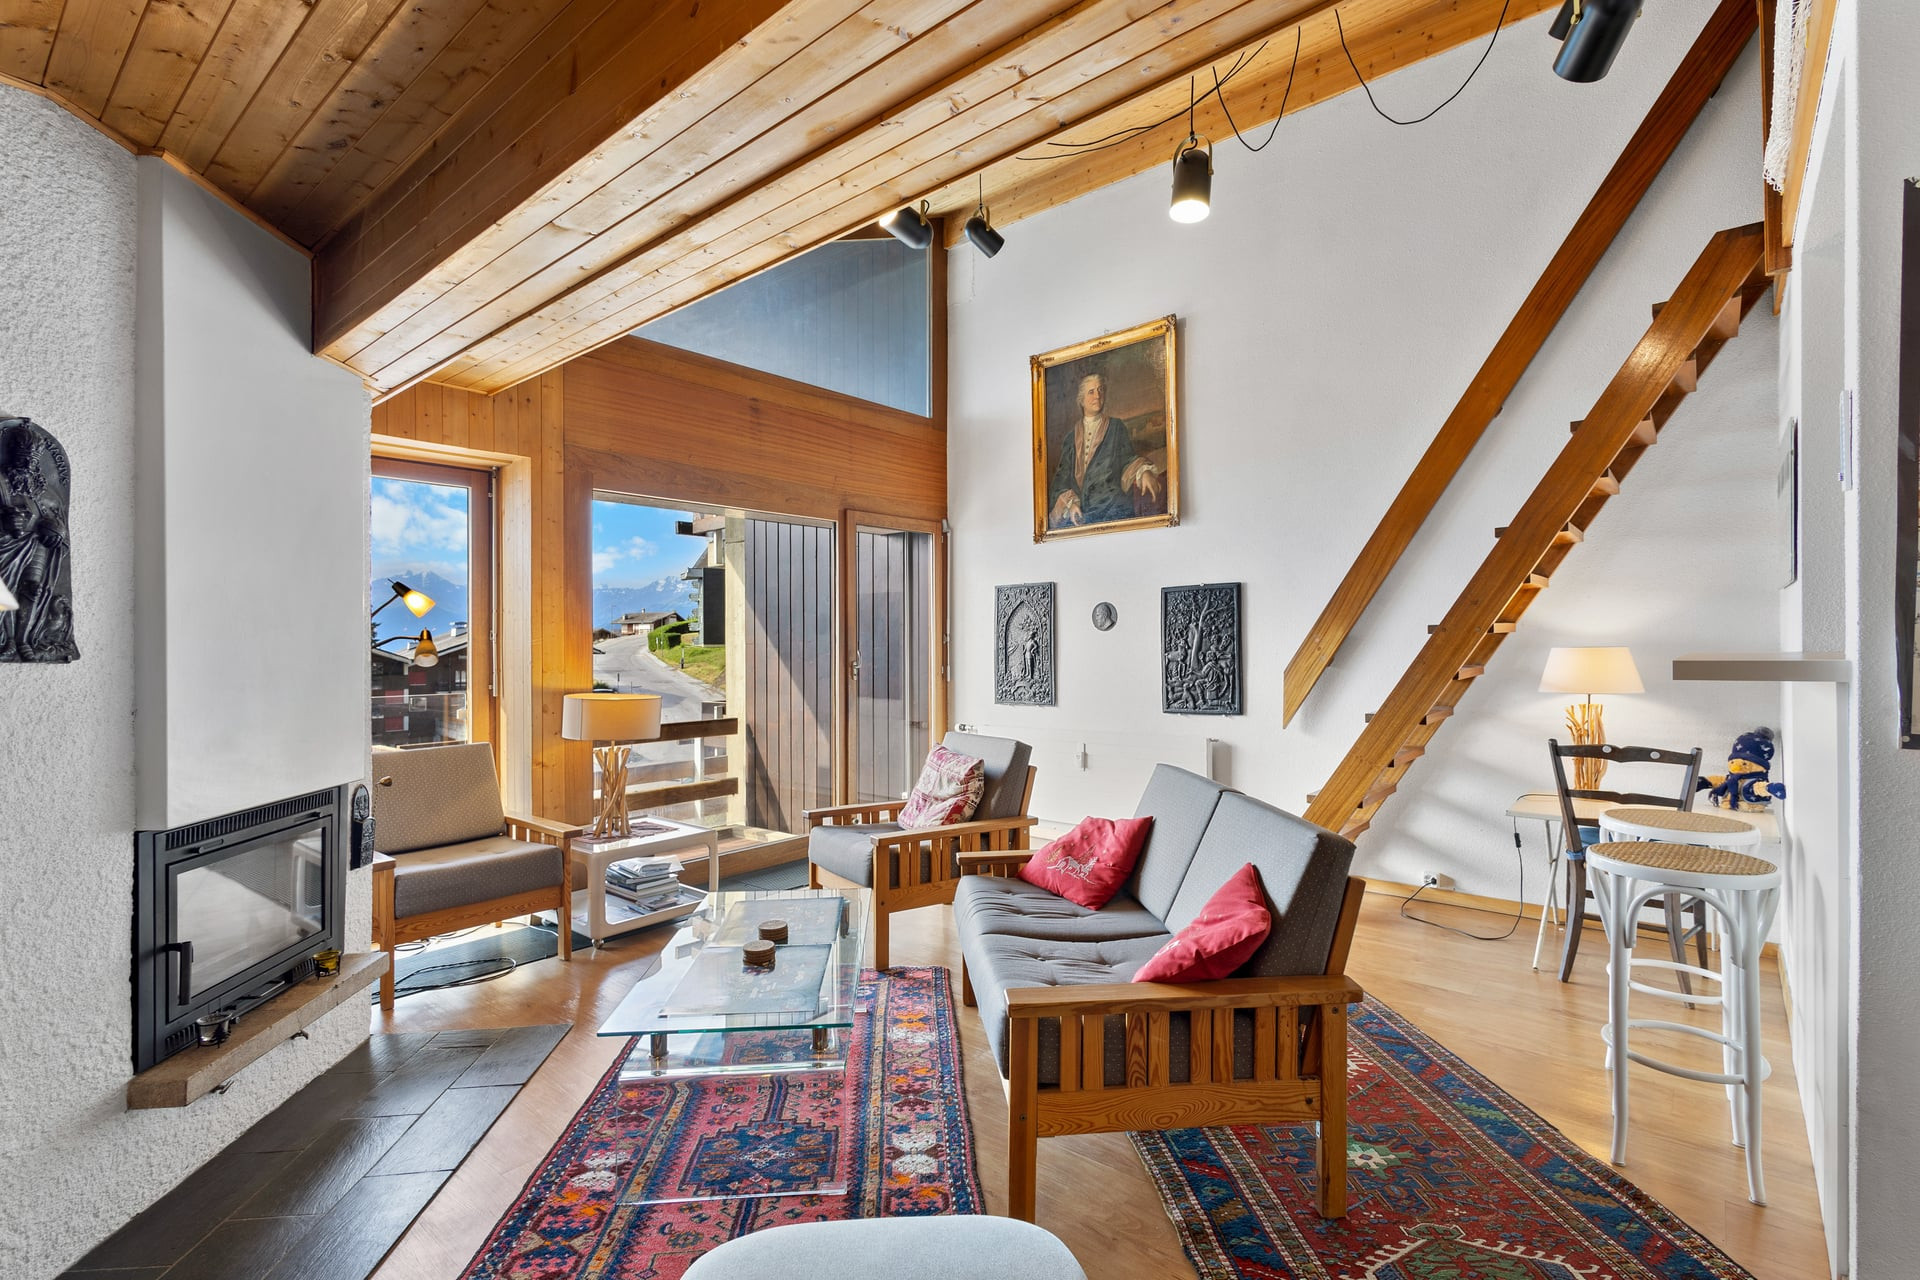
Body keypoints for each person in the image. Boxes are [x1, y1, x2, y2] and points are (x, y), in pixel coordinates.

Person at [1047, 372, 1162, 529]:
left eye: (1100, 390)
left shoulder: (1116, 427)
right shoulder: (1070, 438)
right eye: (1091, 392)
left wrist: (1144, 472)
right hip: (1081, 512)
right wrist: (1071, 504)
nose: (1097, 396)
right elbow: (1061, 480)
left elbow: (1128, 460)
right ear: (1081, 400)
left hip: (1113, 506)